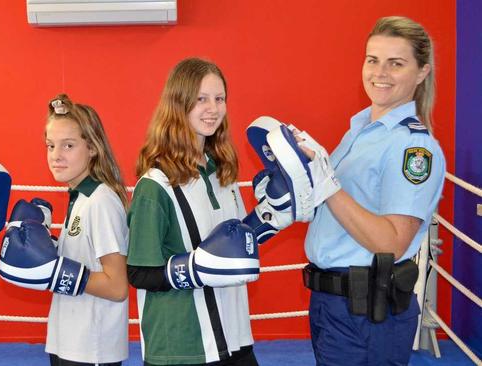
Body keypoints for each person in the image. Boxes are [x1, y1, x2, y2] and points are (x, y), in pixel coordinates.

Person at [297, 16, 446, 366]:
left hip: (367, 312)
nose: (380, 73)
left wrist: (327, 186)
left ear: (422, 72)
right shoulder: (360, 130)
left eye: (396, 63)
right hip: (334, 303)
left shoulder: (412, 149)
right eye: (373, 60)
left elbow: (392, 243)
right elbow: (338, 211)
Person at [126, 58, 260, 366]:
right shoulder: (155, 185)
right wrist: (196, 268)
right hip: (182, 348)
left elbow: (237, 246)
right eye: (201, 99)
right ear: (179, 103)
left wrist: (272, 216)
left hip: (235, 337)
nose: (213, 108)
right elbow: (138, 272)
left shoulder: (220, 172)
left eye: (219, 98)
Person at [0, 94, 129, 366]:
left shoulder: (100, 201)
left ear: (92, 147)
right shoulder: (79, 196)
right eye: (50, 146)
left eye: (68, 145)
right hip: (68, 341)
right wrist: (48, 248)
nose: (56, 156)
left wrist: (56, 272)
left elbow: (117, 286)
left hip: (92, 349)